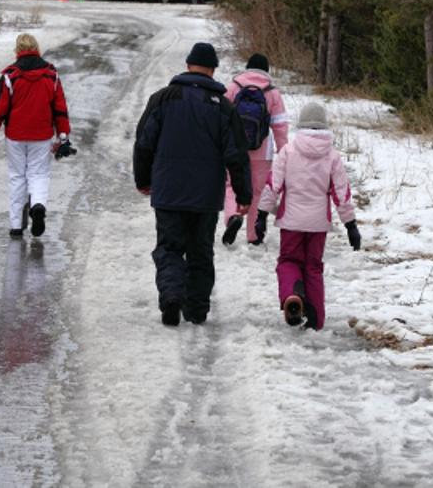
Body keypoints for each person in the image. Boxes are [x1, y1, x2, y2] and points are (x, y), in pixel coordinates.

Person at [134, 41, 252, 326]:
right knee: (201, 251)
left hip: (168, 191)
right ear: (212, 71)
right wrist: (243, 193)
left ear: (188, 65)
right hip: (205, 195)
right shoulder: (223, 107)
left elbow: (143, 143)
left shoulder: (162, 99)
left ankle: (172, 296)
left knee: (170, 247)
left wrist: (143, 179)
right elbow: (236, 154)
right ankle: (197, 310)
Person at [257, 102, 360, 331]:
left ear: (301, 124)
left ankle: (293, 294)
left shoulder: (288, 151)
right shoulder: (332, 156)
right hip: (317, 223)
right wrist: (351, 225)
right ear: (324, 125)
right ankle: (315, 320)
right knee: (313, 267)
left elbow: (273, 185)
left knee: (288, 261)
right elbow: (341, 193)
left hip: (291, 220)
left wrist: (262, 214)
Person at [0, 34, 73, 238]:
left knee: (17, 176)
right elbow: (59, 107)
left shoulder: (10, 76)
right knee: (38, 174)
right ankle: (38, 205)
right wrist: (63, 135)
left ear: (17, 51)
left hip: (15, 135)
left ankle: (16, 225)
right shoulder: (51, 74)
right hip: (41, 135)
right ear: (37, 49)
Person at [221, 53, 290, 246]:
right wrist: (283, 151)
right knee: (257, 191)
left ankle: (232, 216)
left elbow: (221, 118)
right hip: (262, 150)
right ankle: (253, 235)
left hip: (234, 148)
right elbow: (280, 125)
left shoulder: (233, 87)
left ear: (247, 67)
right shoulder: (272, 92)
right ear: (266, 71)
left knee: (230, 186)